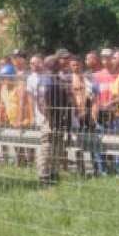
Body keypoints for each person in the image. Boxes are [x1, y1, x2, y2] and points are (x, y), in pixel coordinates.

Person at [36, 55, 73, 185]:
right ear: (52, 65)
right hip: (51, 119)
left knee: (57, 148)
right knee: (47, 147)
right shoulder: (47, 79)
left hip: (59, 118)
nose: (60, 64)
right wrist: (51, 119)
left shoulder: (57, 78)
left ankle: (53, 173)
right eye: (57, 63)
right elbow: (43, 100)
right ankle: (44, 176)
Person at [0, 65, 33, 166]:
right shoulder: (3, 88)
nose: (5, 80)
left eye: (7, 77)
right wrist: (0, 118)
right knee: (16, 143)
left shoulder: (19, 87)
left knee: (26, 143)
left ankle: (29, 163)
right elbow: (2, 105)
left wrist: (19, 120)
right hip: (11, 120)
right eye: (3, 77)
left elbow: (23, 105)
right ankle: (21, 163)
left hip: (23, 119)